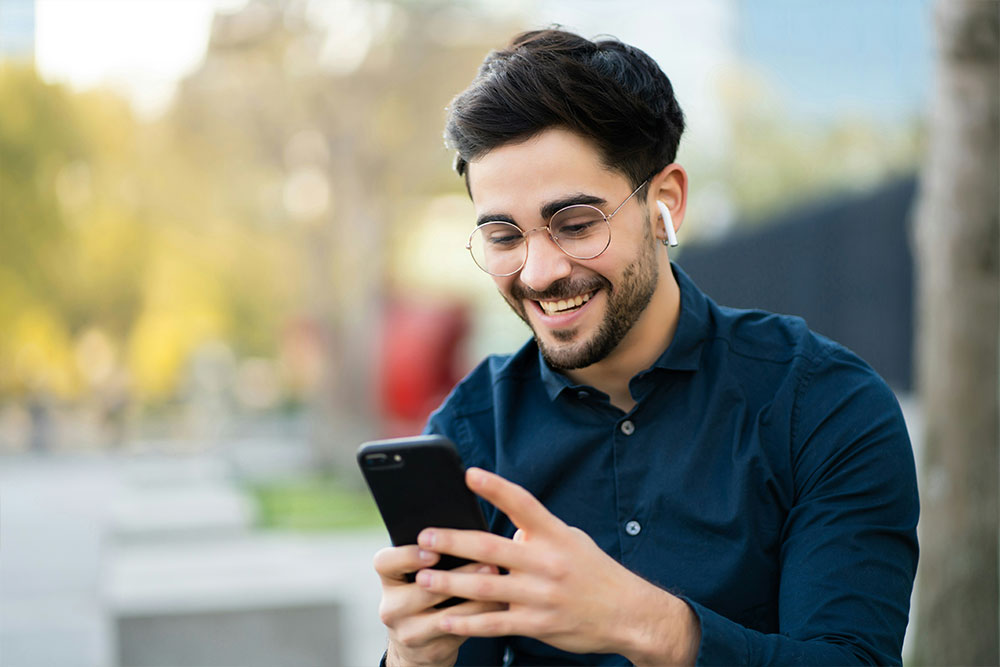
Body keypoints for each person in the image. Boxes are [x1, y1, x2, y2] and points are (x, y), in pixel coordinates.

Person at [372, 28, 919, 666]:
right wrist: (415, 660)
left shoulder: (825, 407)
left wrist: (652, 626)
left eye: (575, 224)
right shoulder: (469, 433)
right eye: (503, 236)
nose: (539, 272)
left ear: (666, 202)